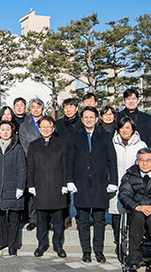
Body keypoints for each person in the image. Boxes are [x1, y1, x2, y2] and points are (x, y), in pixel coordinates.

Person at [66, 106, 117, 264]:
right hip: (81, 183)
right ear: (81, 119)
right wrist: (69, 180)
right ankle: (86, 251)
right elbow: (70, 160)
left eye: (91, 117)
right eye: (85, 117)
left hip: (100, 183)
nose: (88, 119)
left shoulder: (105, 136)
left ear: (97, 119)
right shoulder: (75, 136)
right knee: (82, 220)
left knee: (99, 219)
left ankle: (99, 251)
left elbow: (111, 160)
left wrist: (113, 181)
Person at [27, 117, 68, 258]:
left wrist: (65, 184)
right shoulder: (33, 145)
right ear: (39, 128)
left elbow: (65, 166)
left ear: (53, 128)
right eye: (42, 126)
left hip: (57, 187)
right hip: (40, 187)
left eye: (48, 126)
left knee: (58, 220)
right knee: (41, 219)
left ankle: (58, 245)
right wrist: (30, 185)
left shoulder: (62, 144)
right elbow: (30, 167)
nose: (45, 129)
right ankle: (42, 244)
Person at [0, 121, 26, 256]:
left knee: (14, 218)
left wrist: (21, 187)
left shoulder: (17, 147)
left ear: (12, 131)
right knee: (1, 216)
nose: (5, 132)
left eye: (8, 129)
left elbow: (22, 168)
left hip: (13, 186)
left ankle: (13, 244)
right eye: (2, 129)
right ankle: (2, 241)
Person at [109, 117, 147, 251]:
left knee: (133, 213)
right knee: (116, 211)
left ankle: (134, 241)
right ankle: (118, 240)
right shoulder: (112, 143)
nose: (124, 130)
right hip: (116, 181)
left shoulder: (141, 145)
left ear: (132, 129)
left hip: (134, 184)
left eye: (127, 127)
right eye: (122, 127)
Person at [55, 98, 82, 229]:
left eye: (71, 107)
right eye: (66, 107)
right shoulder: (58, 124)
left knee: (80, 190)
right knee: (64, 190)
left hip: (80, 160)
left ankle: (80, 217)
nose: (68, 109)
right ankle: (65, 217)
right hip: (63, 160)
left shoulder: (83, 122)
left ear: (76, 108)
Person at [18, 98, 45, 231]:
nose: (35, 109)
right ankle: (33, 219)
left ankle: (46, 218)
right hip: (31, 162)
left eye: (38, 107)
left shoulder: (49, 123)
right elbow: (24, 145)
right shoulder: (24, 125)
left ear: (42, 109)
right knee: (32, 192)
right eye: (33, 107)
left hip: (48, 163)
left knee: (47, 190)